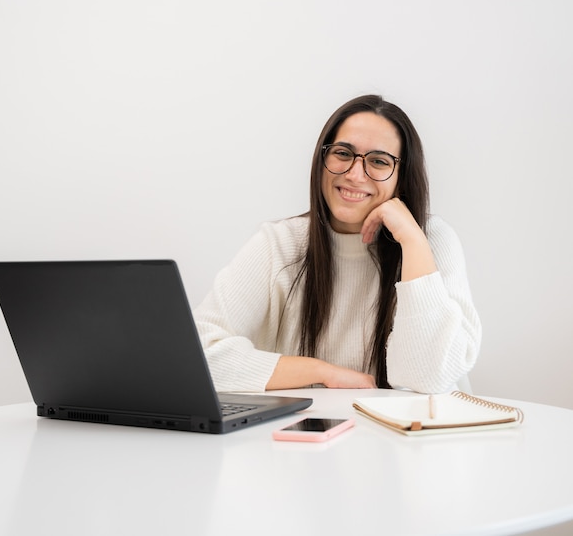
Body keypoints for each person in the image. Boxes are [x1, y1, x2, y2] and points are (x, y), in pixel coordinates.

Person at [193, 94, 481, 394]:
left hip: (414, 439)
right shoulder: (280, 244)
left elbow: (426, 379)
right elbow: (197, 353)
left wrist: (412, 241)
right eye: (343, 154)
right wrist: (321, 372)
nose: (355, 175)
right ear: (322, 160)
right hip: (310, 438)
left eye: (379, 161)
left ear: (402, 177)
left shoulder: (431, 240)